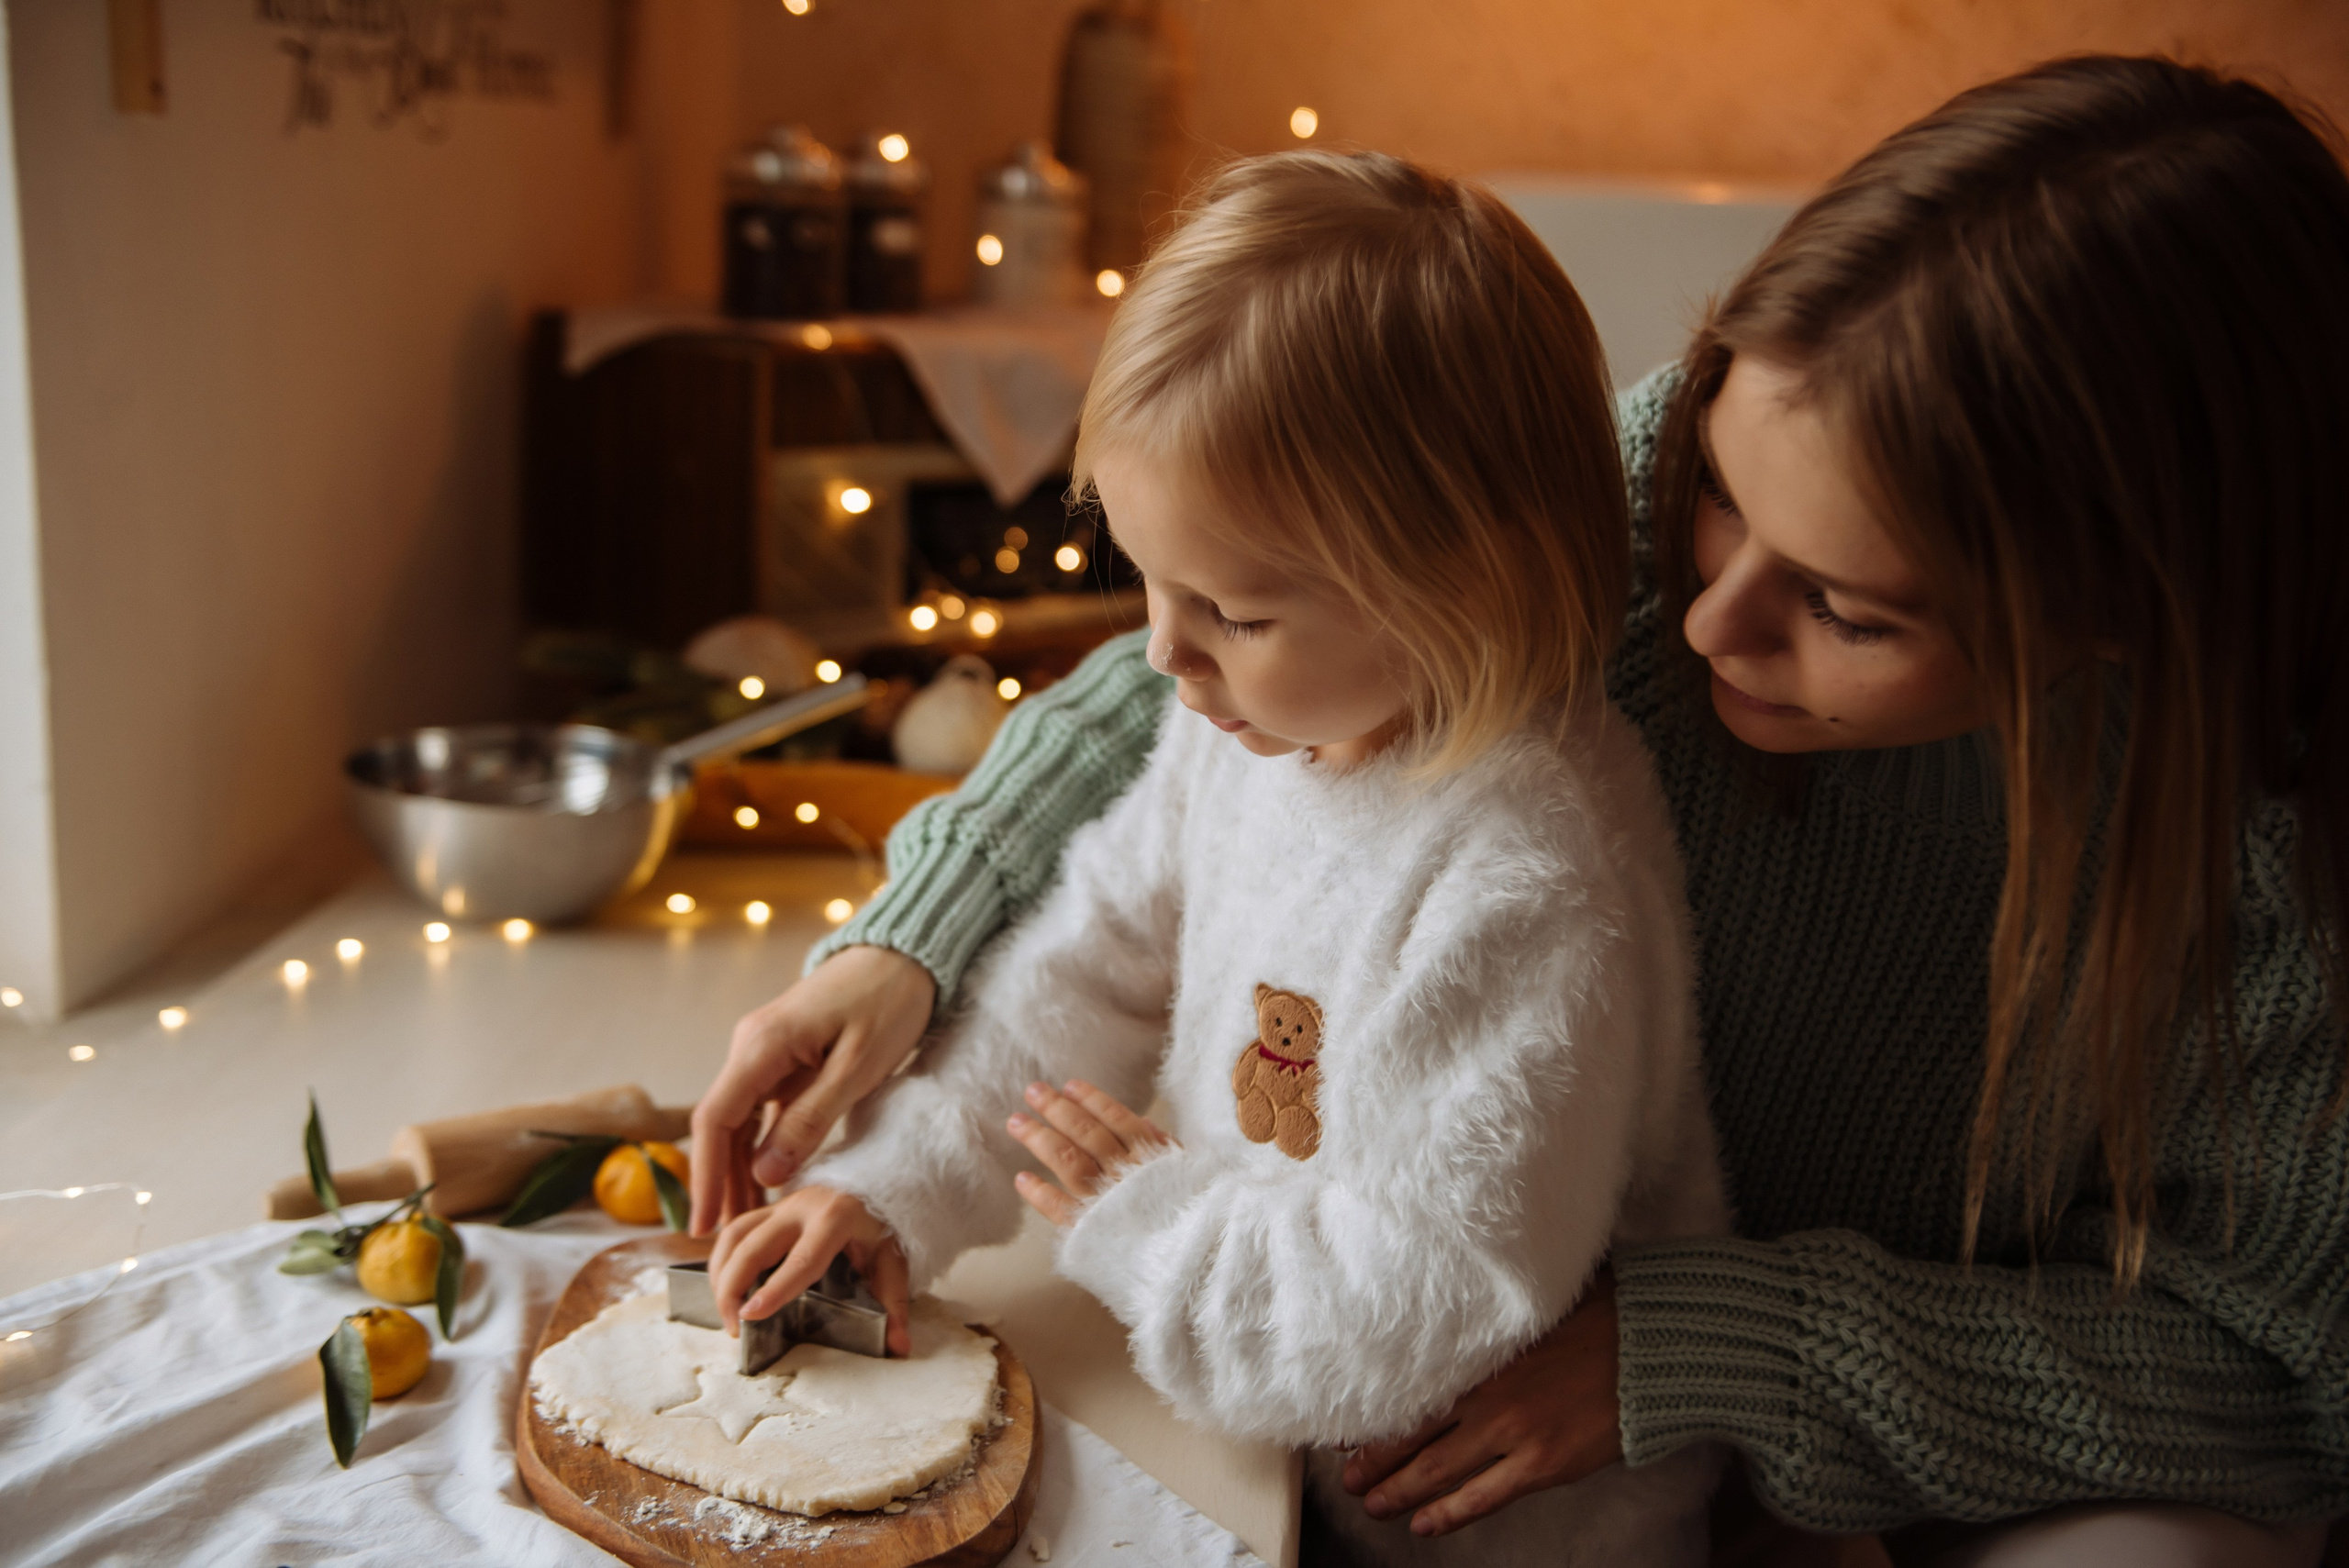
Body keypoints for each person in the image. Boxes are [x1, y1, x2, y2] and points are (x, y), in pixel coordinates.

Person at [694, 57, 2349, 1568]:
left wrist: (1711, 1344)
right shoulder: (1615, 519)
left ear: (2118, 617)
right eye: (1715, 489)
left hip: (1852, 1454)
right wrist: (909, 952)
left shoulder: (2267, 845)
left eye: (1845, 608)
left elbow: (2280, 1372)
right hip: (1404, 1362)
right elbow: (1215, 696)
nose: (1703, 621)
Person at [702, 150, 1731, 1566]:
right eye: (1148, 580)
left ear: (1458, 589)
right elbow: (1087, 969)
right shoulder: (1254, 729)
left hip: (1494, 1543)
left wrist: (1145, 1221)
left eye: (1233, 612)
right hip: (1262, 1451)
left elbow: (1406, 1310)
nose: (1163, 655)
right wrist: (899, 1186)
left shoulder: (1524, 881)